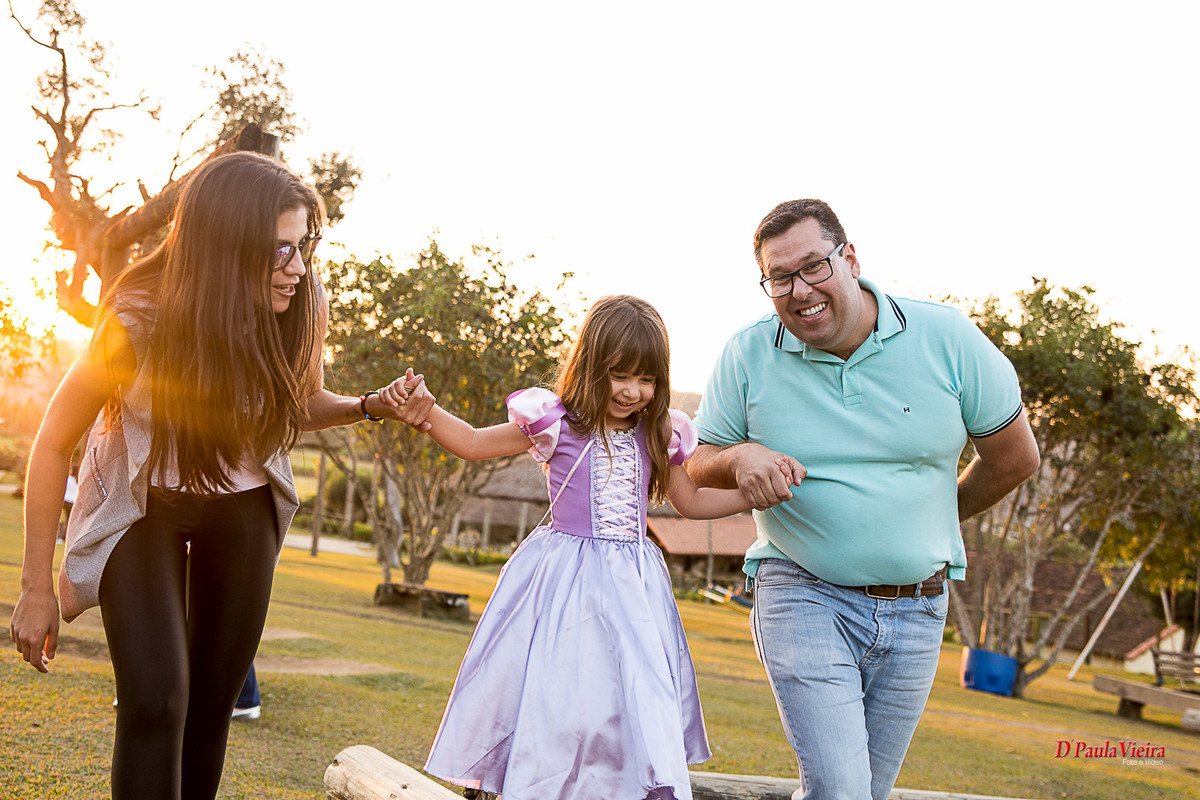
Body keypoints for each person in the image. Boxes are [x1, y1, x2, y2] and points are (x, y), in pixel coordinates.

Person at [8, 151, 432, 800]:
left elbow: (297, 403)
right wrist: (37, 587)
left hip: (242, 512)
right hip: (142, 510)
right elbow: (53, 442)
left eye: (304, 246)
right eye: (280, 251)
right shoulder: (138, 319)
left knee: (211, 711)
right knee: (156, 699)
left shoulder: (296, 304)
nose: (298, 268)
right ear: (223, 247)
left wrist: (368, 405)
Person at [687, 199, 1040, 800]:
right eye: (779, 277)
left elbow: (1015, 458)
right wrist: (740, 457)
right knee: (840, 789)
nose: (800, 290)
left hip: (920, 607)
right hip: (801, 591)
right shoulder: (747, 353)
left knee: (866, 794)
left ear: (850, 258)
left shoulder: (946, 337)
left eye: (814, 267)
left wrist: (929, 516)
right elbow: (698, 464)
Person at [416, 295, 791, 800]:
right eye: (621, 375)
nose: (634, 391)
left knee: (634, 693)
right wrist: (425, 411)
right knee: (561, 695)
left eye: (647, 379)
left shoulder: (660, 432)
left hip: (634, 589)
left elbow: (693, 500)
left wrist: (753, 493)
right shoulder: (555, 423)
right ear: (592, 364)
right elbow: (473, 441)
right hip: (564, 581)